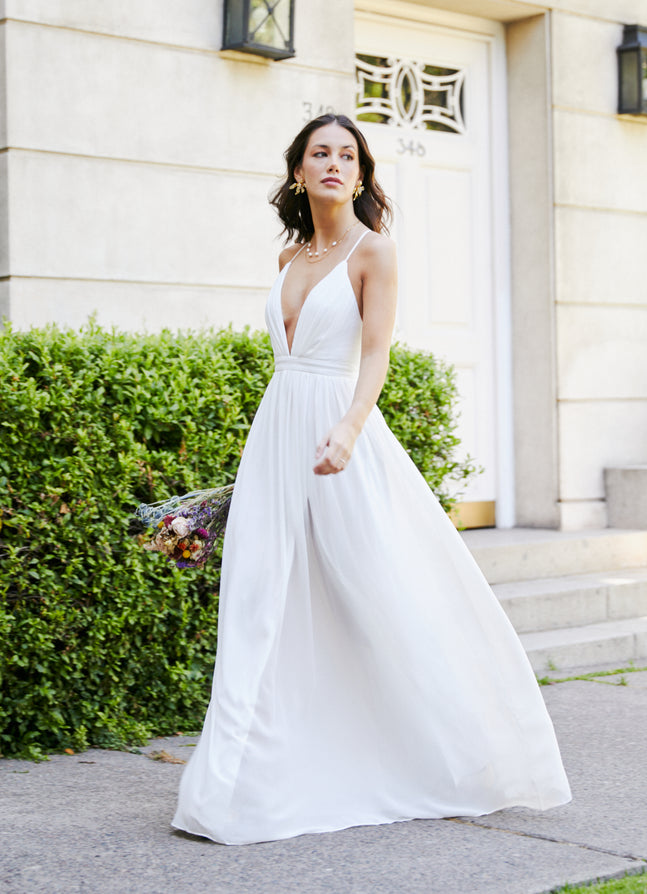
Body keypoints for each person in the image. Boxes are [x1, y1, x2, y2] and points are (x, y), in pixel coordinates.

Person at [171, 114, 571, 846]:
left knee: (377, 589)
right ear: (298, 172)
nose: (332, 163)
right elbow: (285, 361)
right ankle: (232, 785)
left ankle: (452, 750)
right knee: (260, 591)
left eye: (346, 155)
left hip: (337, 431)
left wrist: (350, 428)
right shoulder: (291, 256)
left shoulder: (373, 251)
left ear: (361, 174)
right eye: (318, 153)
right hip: (278, 434)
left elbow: (377, 352)